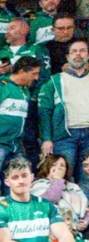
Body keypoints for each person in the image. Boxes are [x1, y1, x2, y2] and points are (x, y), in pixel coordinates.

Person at [0, 56, 43, 216]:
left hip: (15, 144)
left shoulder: (25, 92)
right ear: (22, 71)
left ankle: (11, 218)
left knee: (14, 184)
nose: (36, 78)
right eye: (34, 73)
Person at [0, 156, 81, 242]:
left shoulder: (46, 205)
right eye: (15, 178)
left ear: (31, 177)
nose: (21, 181)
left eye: (24, 176)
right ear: (7, 182)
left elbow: (64, 234)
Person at [38, 37, 89, 186]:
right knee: (60, 179)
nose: (78, 54)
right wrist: (47, 138)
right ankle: (59, 203)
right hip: (64, 136)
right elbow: (44, 112)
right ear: (67, 56)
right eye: (74, 51)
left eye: (82, 51)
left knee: (87, 180)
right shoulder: (54, 81)